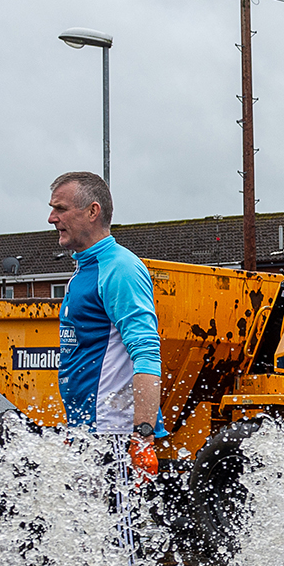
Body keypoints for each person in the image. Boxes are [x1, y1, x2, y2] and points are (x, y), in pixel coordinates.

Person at [50, 171, 162, 484]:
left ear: (92, 211)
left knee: (118, 533)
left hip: (116, 435)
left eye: (60, 208)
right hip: (89, 431)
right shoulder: (83, 270)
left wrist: (142, 437)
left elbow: (147, 353)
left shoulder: (119, 268)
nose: (51, 217)